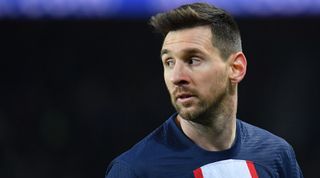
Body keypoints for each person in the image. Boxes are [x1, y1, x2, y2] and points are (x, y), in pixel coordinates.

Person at [105, 2, 303, 178]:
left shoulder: (277, 155)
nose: (176, 77)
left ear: (236, 68)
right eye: (169, 62)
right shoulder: (134, 170)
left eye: (193, 60)